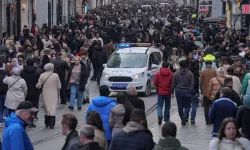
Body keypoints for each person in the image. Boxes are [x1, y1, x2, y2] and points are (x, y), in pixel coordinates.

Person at [36, 63, 61, 129]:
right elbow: (59, 86)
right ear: (52, 68)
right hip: (54, 93)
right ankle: (52, 124)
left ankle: (46, 123)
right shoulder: (56, 75)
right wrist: (57, 91)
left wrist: (37, 85)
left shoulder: (42, 75)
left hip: (45, 93)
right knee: (52, 108)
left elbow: (39, 85)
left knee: (46, 108)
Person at [171, 60, 194, 126]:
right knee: (187, 105)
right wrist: (190, 89)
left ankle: (182, 118)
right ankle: (185, 117)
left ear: (179, 65)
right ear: (186, 65)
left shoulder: (175, 73)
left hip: (178, 91)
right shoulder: (190, 73)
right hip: (187, 90)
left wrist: (172, 92)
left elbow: (173, 84)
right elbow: (192, 83)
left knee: (180, 106)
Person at [20, 58, 42, 127]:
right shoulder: (36, 72)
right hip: (33, 92)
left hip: (25, 91)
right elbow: (38, 82)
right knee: (32, 106)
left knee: (25, 107)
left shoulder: (22, 72)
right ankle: (31, 121)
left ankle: (23, 120)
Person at [200, 60, 217, 125]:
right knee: (213, 106)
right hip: (213, 91)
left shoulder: (203, 72)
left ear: (205, 64)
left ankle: (207, 121)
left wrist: (201, 90)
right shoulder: (215, 71)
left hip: (205, 91)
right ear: (212, 64)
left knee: (206, 107)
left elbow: (201, 82)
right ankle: (213, 119)